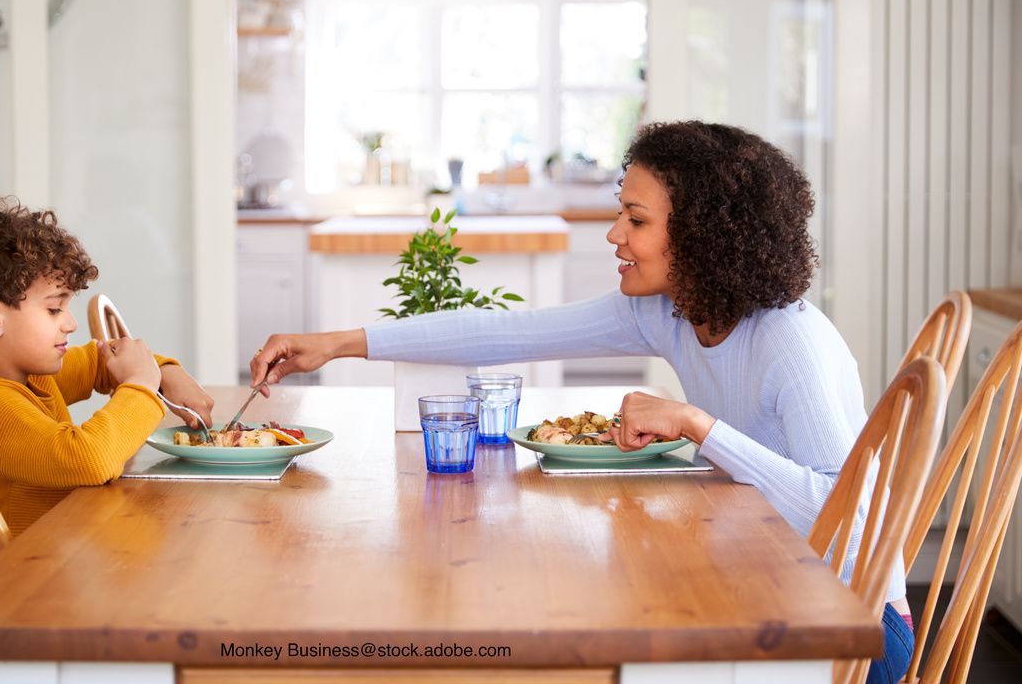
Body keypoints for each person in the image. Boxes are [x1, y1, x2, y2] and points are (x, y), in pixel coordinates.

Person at [249, 121, 912, 684]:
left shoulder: (793, 343)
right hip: (769, 579)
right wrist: (336, 344)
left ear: (706, 235)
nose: (614, 234)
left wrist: (698, 426)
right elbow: (507, 331)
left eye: (637, 219)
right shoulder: (670, 312)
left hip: (853, 623)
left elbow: (852, 524)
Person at [0, 195, 213, 571]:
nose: (71, 323)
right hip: (9, 602)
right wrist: (143, 383)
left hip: (60, 566)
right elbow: (87, 459)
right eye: (54, 308)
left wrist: (167, 371)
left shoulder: (33, 377)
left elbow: (99, 361)